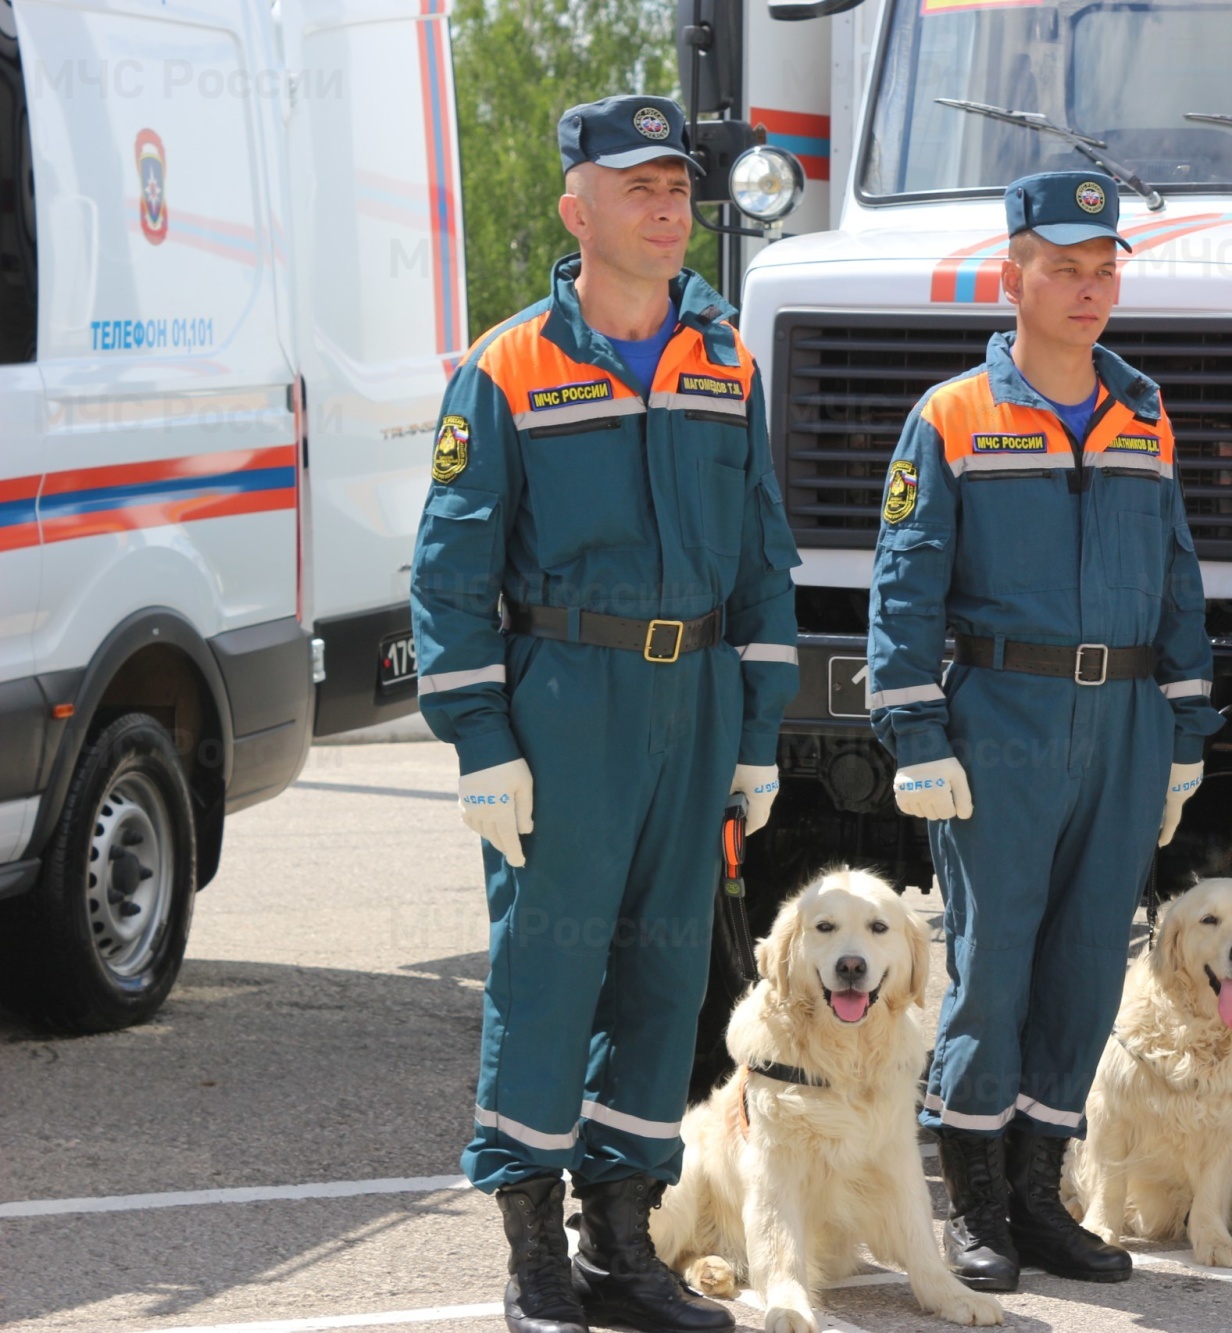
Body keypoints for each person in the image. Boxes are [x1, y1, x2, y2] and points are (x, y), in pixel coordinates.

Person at [411, 94, 799, 1333]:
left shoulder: (723, 358)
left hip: (692, 704)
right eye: (637, 186)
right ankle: (531, 1252)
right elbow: (449, 574)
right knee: (548, 970)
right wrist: (481, 740)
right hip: (564, 706)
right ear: (577, 208)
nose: (667, 204)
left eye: (677, 185)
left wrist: (753, 732)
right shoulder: (507, 364)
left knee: (663, 975)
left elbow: (763, 562)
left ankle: (620, 1245)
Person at [867, 170, 1223, 1292]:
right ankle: (973, 1203)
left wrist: (1183, 726)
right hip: (1003, 718)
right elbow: (904, 586)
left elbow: (1175, 573)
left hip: (1121, 716)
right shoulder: (954, 415)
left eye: (1101, 268)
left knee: (1080, 965)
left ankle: (1036, 1196)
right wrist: (913, 731)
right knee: (993, 965)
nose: (1086, 288)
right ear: (1011, 273)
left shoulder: (1142, 410)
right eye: (1062, 267)